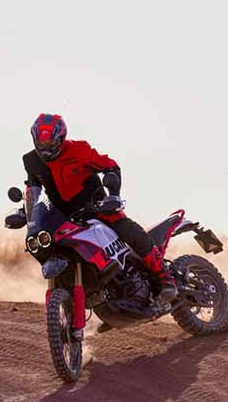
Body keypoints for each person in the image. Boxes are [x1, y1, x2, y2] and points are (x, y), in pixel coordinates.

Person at [22, 113, 178, 303]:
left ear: (61, 139)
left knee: (128, 229)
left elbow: (111, 167)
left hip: (96, 207)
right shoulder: (31, 161)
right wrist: (27, 214)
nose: (46, 149)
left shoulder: (79, 149)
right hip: (64, 216)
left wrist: (113, 195)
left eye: (51, 144)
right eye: (41, 144)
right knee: (44, 243)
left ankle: (166, 279)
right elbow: (32, 190)